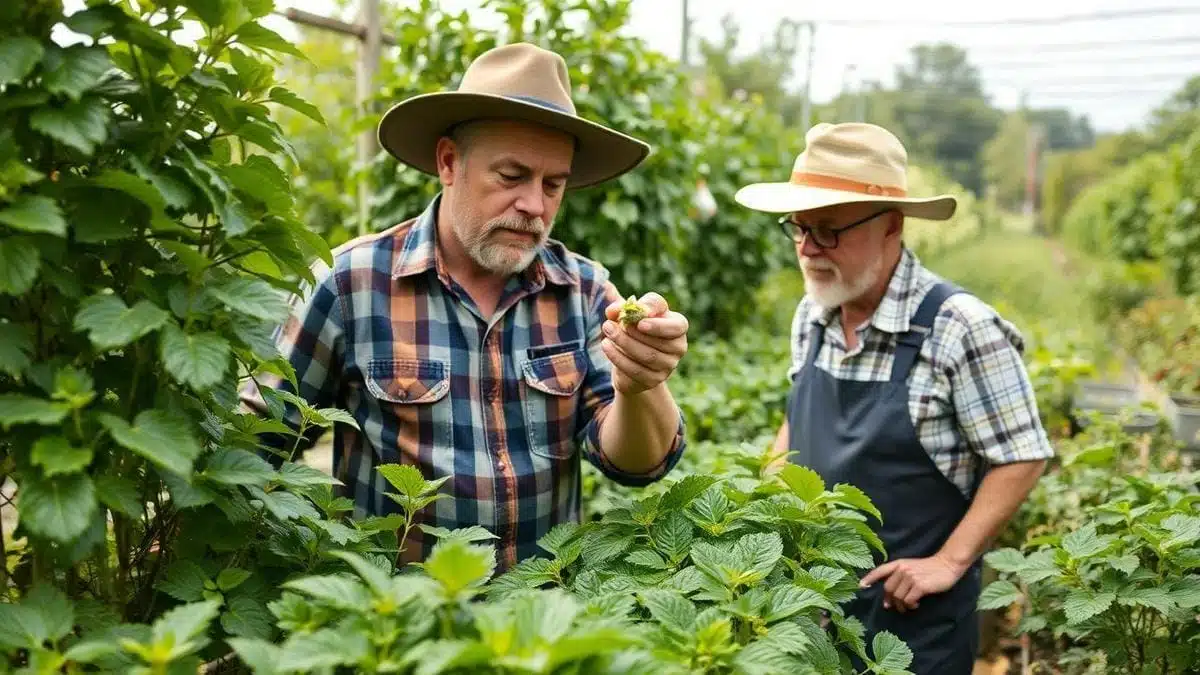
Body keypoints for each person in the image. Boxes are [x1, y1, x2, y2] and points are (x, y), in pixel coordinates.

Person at [240, 43, 690, 572]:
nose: (534, 206)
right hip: (394, 625)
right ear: (449, 162)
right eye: (511, 175)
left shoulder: (583, 291)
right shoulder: (352, 284)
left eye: (553, 184)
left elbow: (634, 465)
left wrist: (640, 385)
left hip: (539, 628)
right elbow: (260, 446)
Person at [735, 122, 1052, 674]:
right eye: (799, 228)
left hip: (910, 627)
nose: (808, 249)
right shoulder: (814, 313)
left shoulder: (958, 327)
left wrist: (949, 561)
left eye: (828, 230)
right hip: (812, 611)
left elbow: (1022, 453)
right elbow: (798, 421)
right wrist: (759, 506)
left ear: (891, 227)